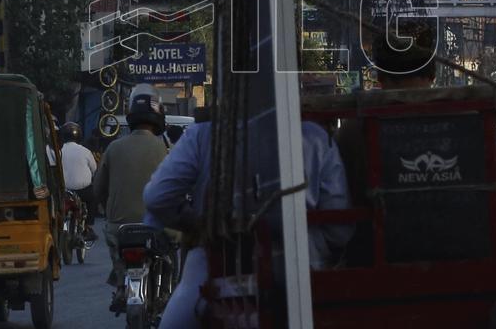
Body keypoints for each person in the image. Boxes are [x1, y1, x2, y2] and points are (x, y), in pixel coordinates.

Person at [342, 23, 496, 244]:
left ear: (380, 77)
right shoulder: (469, 123)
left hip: (381, 262)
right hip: (467, 260)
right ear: (432, 74)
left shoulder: (354, 129)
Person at [143, 119, 351, 329]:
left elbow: (157, 197)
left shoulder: (203, 133)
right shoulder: (314, 136)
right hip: (305, 274)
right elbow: (340, 232)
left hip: (215, 267)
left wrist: (199, 225)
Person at [94, 84, 169, 311]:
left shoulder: (113, 147)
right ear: (158, 116)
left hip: (120, 228)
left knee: (117, 250)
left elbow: (98, 189)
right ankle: (165, 292)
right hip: (156, 227)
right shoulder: (165, 150)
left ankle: (120, 286)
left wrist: (110, 207)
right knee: (170, 252)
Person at [59, 122, 99, 241]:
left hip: (64, 191)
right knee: (93, 199)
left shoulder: (58, 151)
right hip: (84, 191)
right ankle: (88, 226)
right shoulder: (85, 151)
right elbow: (94, 169)